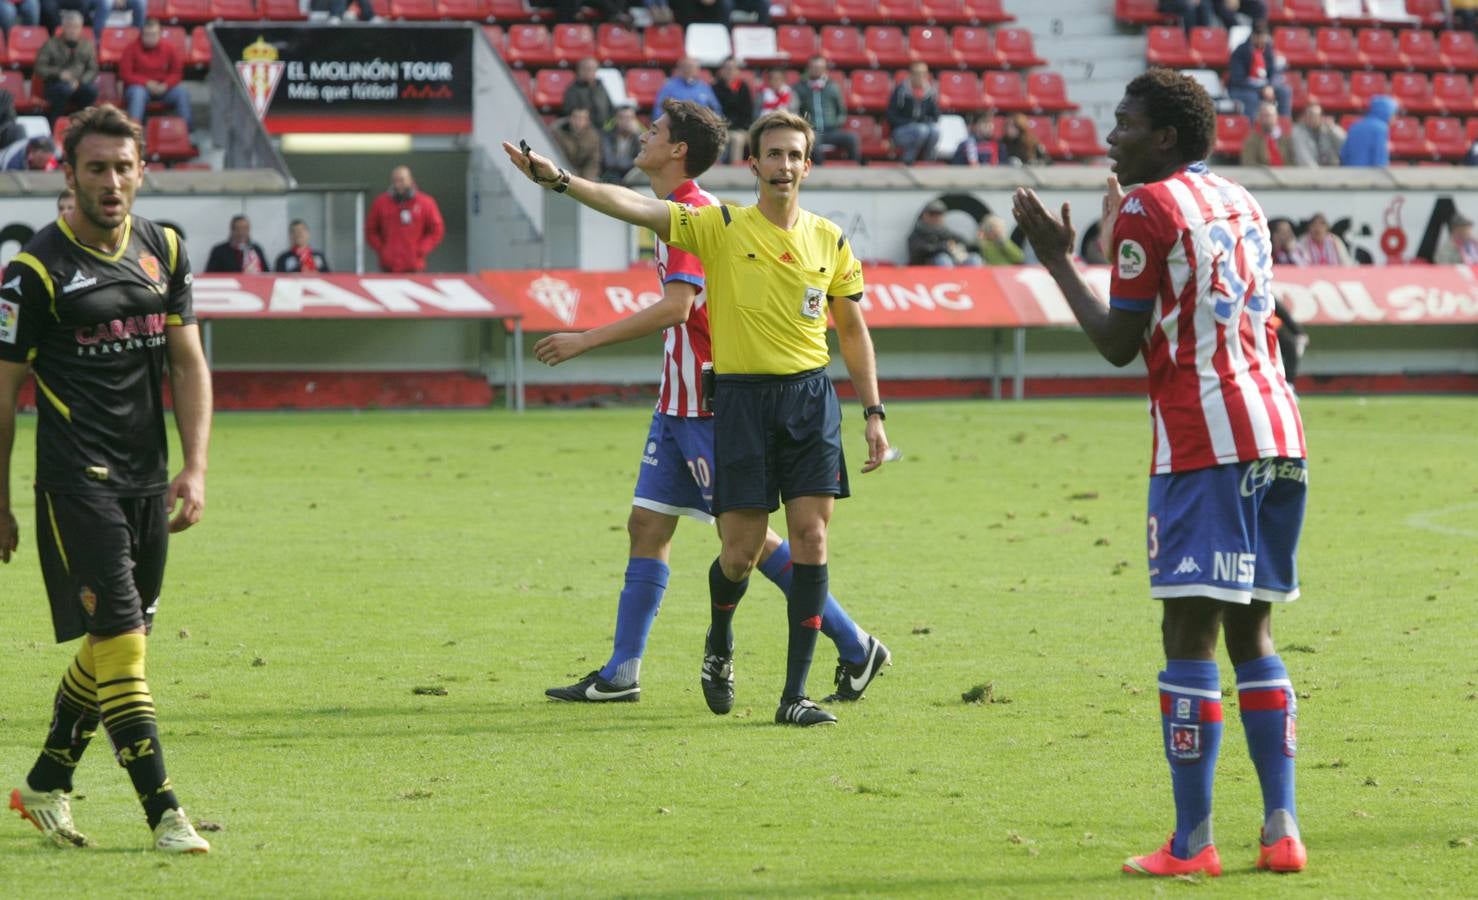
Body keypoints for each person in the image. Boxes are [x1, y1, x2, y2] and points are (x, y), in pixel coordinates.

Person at [502, 108, 891, 727]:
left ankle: (840, 655)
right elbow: (627, 208)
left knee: (768, 542)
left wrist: (874, 411)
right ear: (754, 162)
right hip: (691, 403)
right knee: (657, 529)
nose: (642, 137)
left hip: (735, 402)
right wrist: (559, 180)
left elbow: (681, 307)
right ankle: (627, 670)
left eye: (654, 131)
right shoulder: (704, 217)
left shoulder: (735, 223)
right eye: (774, 154)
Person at [1013, 68, 1309, 879]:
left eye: (1125, 123)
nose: (1111, 138)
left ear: (1167, 136)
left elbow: (1117, 342)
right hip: (1278, 433)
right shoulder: (1241, 200)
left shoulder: (1149, 205)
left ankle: (1192, 843)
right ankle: (1282, 831)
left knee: (1188, 634)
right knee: (1253, 629)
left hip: (1201, 442)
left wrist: (1056, 258)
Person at [0, 103, 213, 855]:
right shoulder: (31, 273)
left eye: (124, 167)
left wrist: (194, 466)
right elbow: (3, 394)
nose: (112, 181)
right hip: (74, 481)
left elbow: (188, 363)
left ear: (142, 171)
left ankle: (46, 782)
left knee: (115, 643)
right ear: (69, 175)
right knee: (124, 641)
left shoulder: (167, 249)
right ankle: (165, 813)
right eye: (96, 168)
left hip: (147, 480)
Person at [365, 165, 445, 274]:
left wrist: (421, 249)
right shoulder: (381, 203)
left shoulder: (426, 203)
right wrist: (382, 249)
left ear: (410, 180)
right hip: (388, 266)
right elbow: (370, 230)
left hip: (415, 266)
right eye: (395, 180)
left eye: (401, 180)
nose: (398, 184)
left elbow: (437, 230)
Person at [120, 19, 190, 132]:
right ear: (141, 34)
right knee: (137, 93)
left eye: (153, 34)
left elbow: (177, 73)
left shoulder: (169, 48)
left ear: (160, 34)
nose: (150, 37)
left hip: (163, 88)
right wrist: (147, 83)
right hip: (140, 88)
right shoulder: (130, 49)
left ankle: (188, 133)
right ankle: (133, 132)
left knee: (182, 93)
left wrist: (166, 85)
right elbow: (125, 74)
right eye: (147, 34)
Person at [35, 11, 99, 124]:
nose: (73, 30)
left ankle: (84, 123)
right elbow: (40, 68)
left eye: (76, 27)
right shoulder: (51, 44)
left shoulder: (87, 45)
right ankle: (55, 124)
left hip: (80, 84)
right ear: (63, 27)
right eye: (70, 26)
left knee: (91, 91)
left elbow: (93, 69)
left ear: (81, 28)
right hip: (55, 84)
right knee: (63, 90)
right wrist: (59, 74)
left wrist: (80, 81)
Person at [794, 56, 859, 165]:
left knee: (852, 138)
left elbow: (842, 111)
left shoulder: (833, 87)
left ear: (825, 69)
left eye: (820, 67)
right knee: (813, 141)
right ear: (808, 68)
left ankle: (854, 170)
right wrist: (805, 126)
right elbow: (796, 110)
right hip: (812, 130)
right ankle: (821, 173)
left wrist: (836, 123)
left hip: (832, 130)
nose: (816, 70)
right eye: (813, 67)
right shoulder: (800, 88)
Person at [1227, 20, 1290, 119]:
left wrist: (1270, 87)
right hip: (1242, 89)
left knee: (1284, 92)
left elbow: (1275, 73)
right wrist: (1261, 89)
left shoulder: (1269, 50)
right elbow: (1238, 79)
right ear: (1253, 36)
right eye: (1258, 35)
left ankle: (1283, 127)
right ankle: (1251, 130)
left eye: (1264, 36)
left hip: (1264, 86)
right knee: (1251, 98)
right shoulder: (1240, 51)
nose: (1262, 39)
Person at [887, 62, 941, 165]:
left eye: (923, 74)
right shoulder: (900, 91)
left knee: (935, 131)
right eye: (917, 73)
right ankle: (908, 159)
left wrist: (924, 119)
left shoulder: (930, 92)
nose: (920, 77)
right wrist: (910, 123)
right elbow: (891, 115)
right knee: (921, 130)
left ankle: (928, 160)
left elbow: (936, 116)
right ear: (911, 74)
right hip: (901, 131)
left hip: (923, 130)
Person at [907, 199, 981, 266]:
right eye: (932, 214)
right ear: (925, 215)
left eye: (939, 214)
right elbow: (920, 251)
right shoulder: (918, 232)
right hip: (927, 267)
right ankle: (949, 280)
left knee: (974, 258)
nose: (936, 217)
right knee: (943, 259)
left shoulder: (945, 232)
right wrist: (942, 247)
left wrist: (973, 246)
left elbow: (963, 241)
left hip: (953, 262)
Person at [711, 58, 753, 164]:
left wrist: (737, 126)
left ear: (737, 71)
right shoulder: (715, 88)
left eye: (732, 68)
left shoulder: (743, 88)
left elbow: (747, 113)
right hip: (721, 126)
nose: (729, 71)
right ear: (721, 70)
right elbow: (714, 110)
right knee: (728, 139)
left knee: (738, 138)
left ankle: (736, 173)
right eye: (726, 68)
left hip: (740, 127)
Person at [652, 57, 722, 116]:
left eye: (691, 67)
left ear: (697, 70)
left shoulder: (704, 87)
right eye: (684, 67)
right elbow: (658, 109)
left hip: (700, 126)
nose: (687, 70)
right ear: (678, 69)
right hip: (676, 126)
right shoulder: (668, 87)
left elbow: (716, 108)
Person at [1339, 95, 1394, 167]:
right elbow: (1380, 160)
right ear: (1387, 113)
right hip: (1369, 175)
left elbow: (1344, 154)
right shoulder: (1381, 128)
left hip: (1350, 173)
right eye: (1393, 114)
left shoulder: (1355, 126)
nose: (1394, 118)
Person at [552, 106, 602, 181]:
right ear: (570, 118)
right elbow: (554, 156)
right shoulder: (558, 134)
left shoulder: (593, 137)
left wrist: (586, 180)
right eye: (575, 117)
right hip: (560, 174)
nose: (578, 121)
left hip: (582, 177)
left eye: (582, 118)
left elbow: (593, 162)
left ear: (587, 121)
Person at [1289, 102, 1344, 168]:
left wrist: (1333, 128)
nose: (1313, 118)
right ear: (1304, 116)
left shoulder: (1327, 130)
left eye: (1316, 115)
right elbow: (1304, 159)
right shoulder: (1298, 132)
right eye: (1310, 115)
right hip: (1308, 173)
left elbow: (1344, 144)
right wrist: (1319, 174)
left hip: (1332, 170)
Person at [562, 57, 612, 129]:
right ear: (579, 71)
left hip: (604, 129)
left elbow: (611, 110)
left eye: (593, 69)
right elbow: (570, 113)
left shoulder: (601, 88)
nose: (589, 72)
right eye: (586, 69)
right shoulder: (572, 90)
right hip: (583, 130)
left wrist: (608, 128)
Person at [1239, 102, 1291, 167]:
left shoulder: (1286, 139)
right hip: (1263, 175)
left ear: (1276, 117)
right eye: (1264, 116)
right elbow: (1248, 162)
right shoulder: (1252, 139)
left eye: (1270, 115)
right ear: (1258, 118)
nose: (1267, 119)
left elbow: (1292, 161)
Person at [601, 104, 643, 183]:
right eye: (622, 118)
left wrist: (638, 135)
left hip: (633, 176)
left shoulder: (639, 136)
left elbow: (642, 160)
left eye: (630, 118)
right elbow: (609, 162)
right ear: (616, 119)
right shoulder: (607, 136)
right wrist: (632, 163)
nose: (626, 121)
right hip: (612, 176)